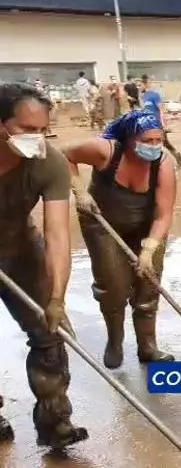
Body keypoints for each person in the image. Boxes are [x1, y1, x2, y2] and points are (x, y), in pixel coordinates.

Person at [0, 83, 88, 448]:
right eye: (26, 129)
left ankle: (55, 422)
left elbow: (57, 235)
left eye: (41, 130)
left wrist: (56, 297)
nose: (36, 138)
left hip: (20, 248)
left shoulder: (48, 162)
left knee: (49, 332)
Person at [64, 110, 178, 369]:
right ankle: (115, 340)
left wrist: (148, 250)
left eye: (158, 140)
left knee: (148, 282)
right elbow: (64, 154)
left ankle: (147, 346)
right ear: (129, 139)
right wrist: (79, 190)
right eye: (147, 141)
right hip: (103, 223)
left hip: (146, 226)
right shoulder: (105, 151)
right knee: (113, 286)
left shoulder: (163, 164)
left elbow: (163, 214)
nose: (154, 147)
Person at [141, 78, 181, 168]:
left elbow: (161, 109)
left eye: (140, 85)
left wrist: (164, 123)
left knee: (165, 144)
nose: (139, 87)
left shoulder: (155, 95)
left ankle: (178, 158)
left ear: (146, 84)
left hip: (157, 124)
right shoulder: (144, 96)